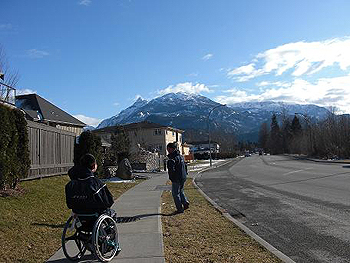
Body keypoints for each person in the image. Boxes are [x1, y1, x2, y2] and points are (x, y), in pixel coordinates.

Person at [166, 142, 189, 214]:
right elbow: (185, 166)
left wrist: (172, 178)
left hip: (177, 178)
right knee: (181, 190)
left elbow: (171, 170)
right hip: (183, 177)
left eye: (168, 148)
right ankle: (185, 203)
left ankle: (179, 209)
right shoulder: (181, 156)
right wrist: (185, 174)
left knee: (175, 193)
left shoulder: (172, 158)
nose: (167, 150)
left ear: (171, 149)